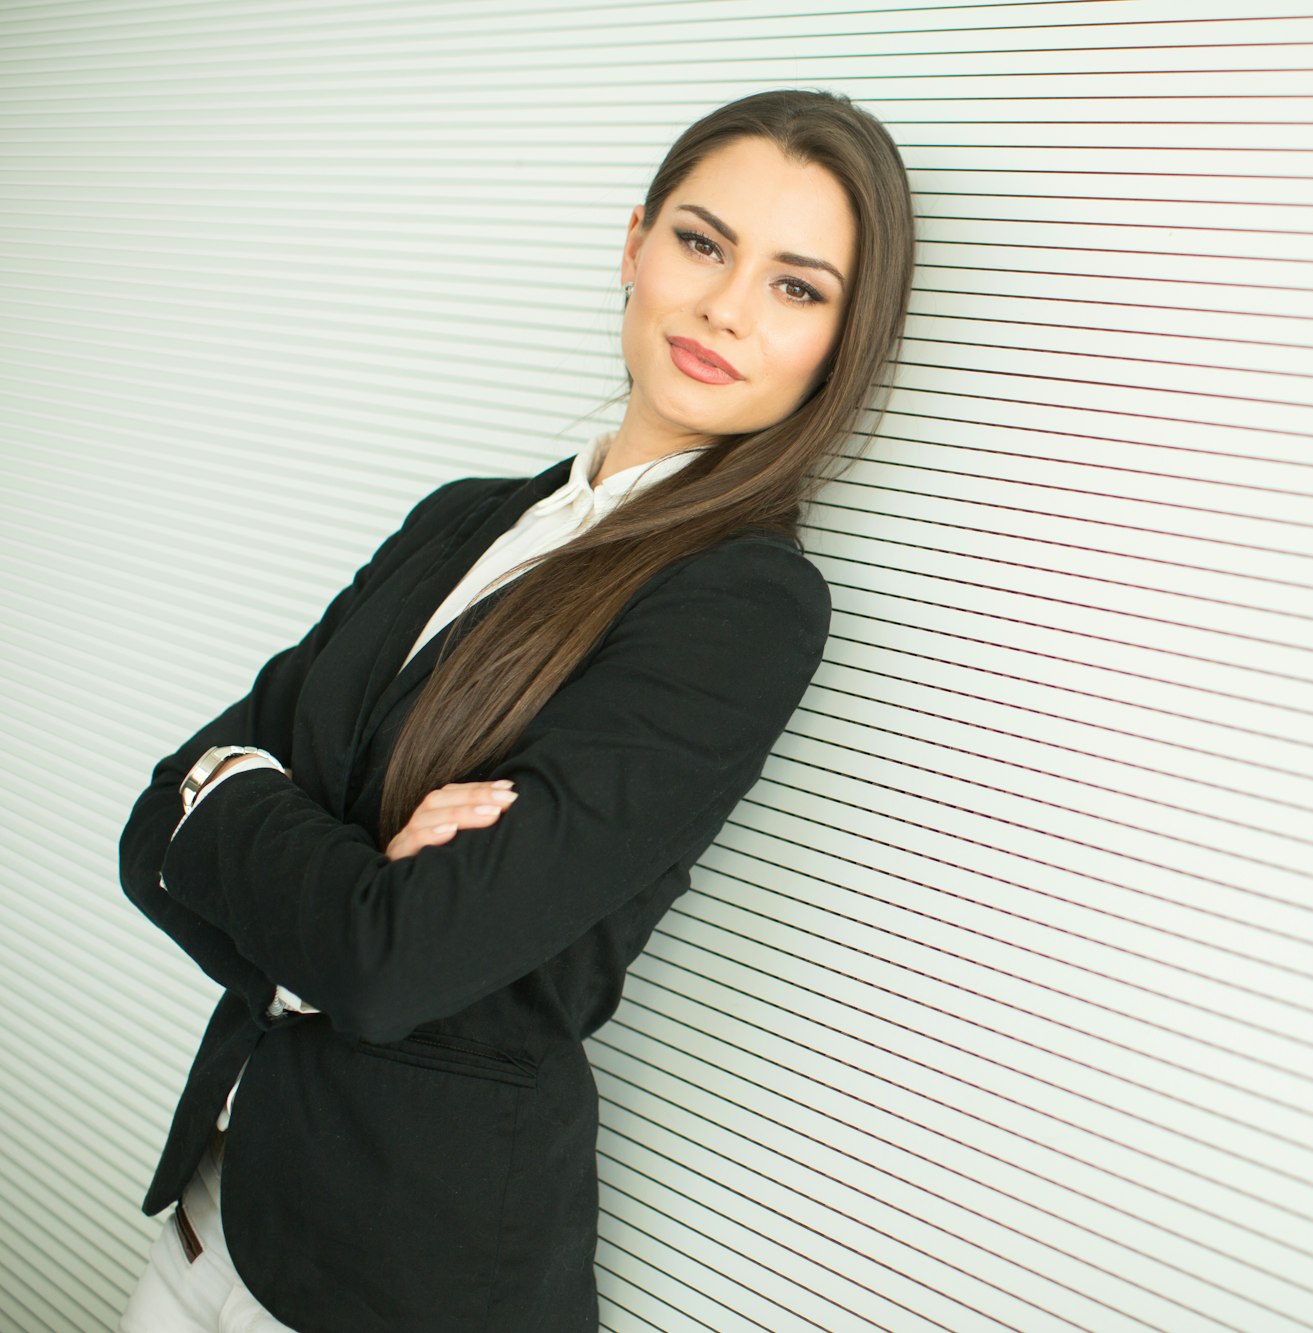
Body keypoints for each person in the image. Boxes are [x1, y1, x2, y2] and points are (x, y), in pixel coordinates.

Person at [115, 87, 915, 1332]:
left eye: (795, 287)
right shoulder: (459, 519)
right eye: (702, 244)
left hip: (400, 1273)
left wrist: (248, 810)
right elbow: (152, 833)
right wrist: (323, 885)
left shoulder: (743, 603)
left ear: (840, 342)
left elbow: (391, 961)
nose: (723, 306)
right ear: (635, 243)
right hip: (217, 1201)